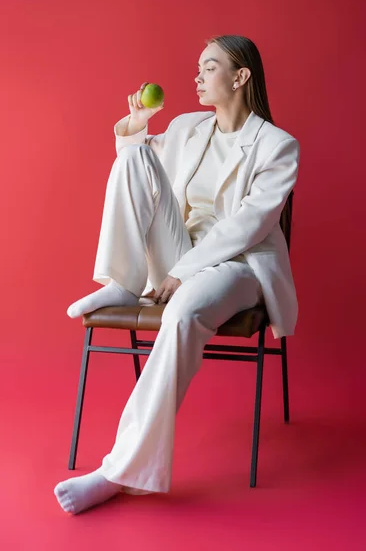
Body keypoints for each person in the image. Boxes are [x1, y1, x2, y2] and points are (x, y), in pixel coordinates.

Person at [54, 35, 300, 514]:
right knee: (135, 156)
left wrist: (186, 273)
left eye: (209, 68)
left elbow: (249, 224)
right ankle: (121, 281)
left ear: (240, 76)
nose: (197, 76)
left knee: (183, 312)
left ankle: (120, 470)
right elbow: (137, 173)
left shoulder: (277, 145)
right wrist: (135, 128)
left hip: (239, 265)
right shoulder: (189, 126)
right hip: (179, 251)